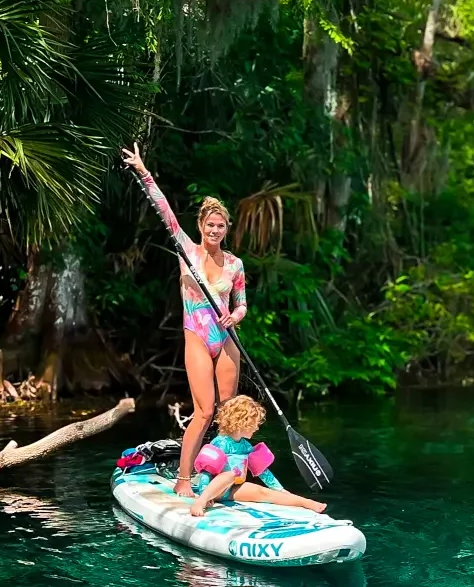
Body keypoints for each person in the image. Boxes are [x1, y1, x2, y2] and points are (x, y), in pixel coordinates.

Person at [123, 146, 246, 497]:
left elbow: (242, 305)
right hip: (196, 335)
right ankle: (184, 478)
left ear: (226, 229)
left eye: (221, 226)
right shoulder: (186, 250)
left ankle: (227, 476)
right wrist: (144, 171)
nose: (216, 230)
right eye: (211, 225)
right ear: (201, 226)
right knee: (205, 411)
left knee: (229, 413)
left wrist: (233, 316)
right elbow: (164, 209)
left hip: (226, 340)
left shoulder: (235, 264)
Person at [188, 396, 328, 517]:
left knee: (263, 492)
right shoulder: (220, 442)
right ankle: (200, 502)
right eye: (254, 424)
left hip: (234, 490)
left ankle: (304, 502)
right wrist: (204, 494)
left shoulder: (246, 447)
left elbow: (264, 472)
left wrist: (281, 490)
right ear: (241, 422)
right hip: (214, 491)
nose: (256, 428)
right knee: (229, 475)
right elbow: (207, 471)